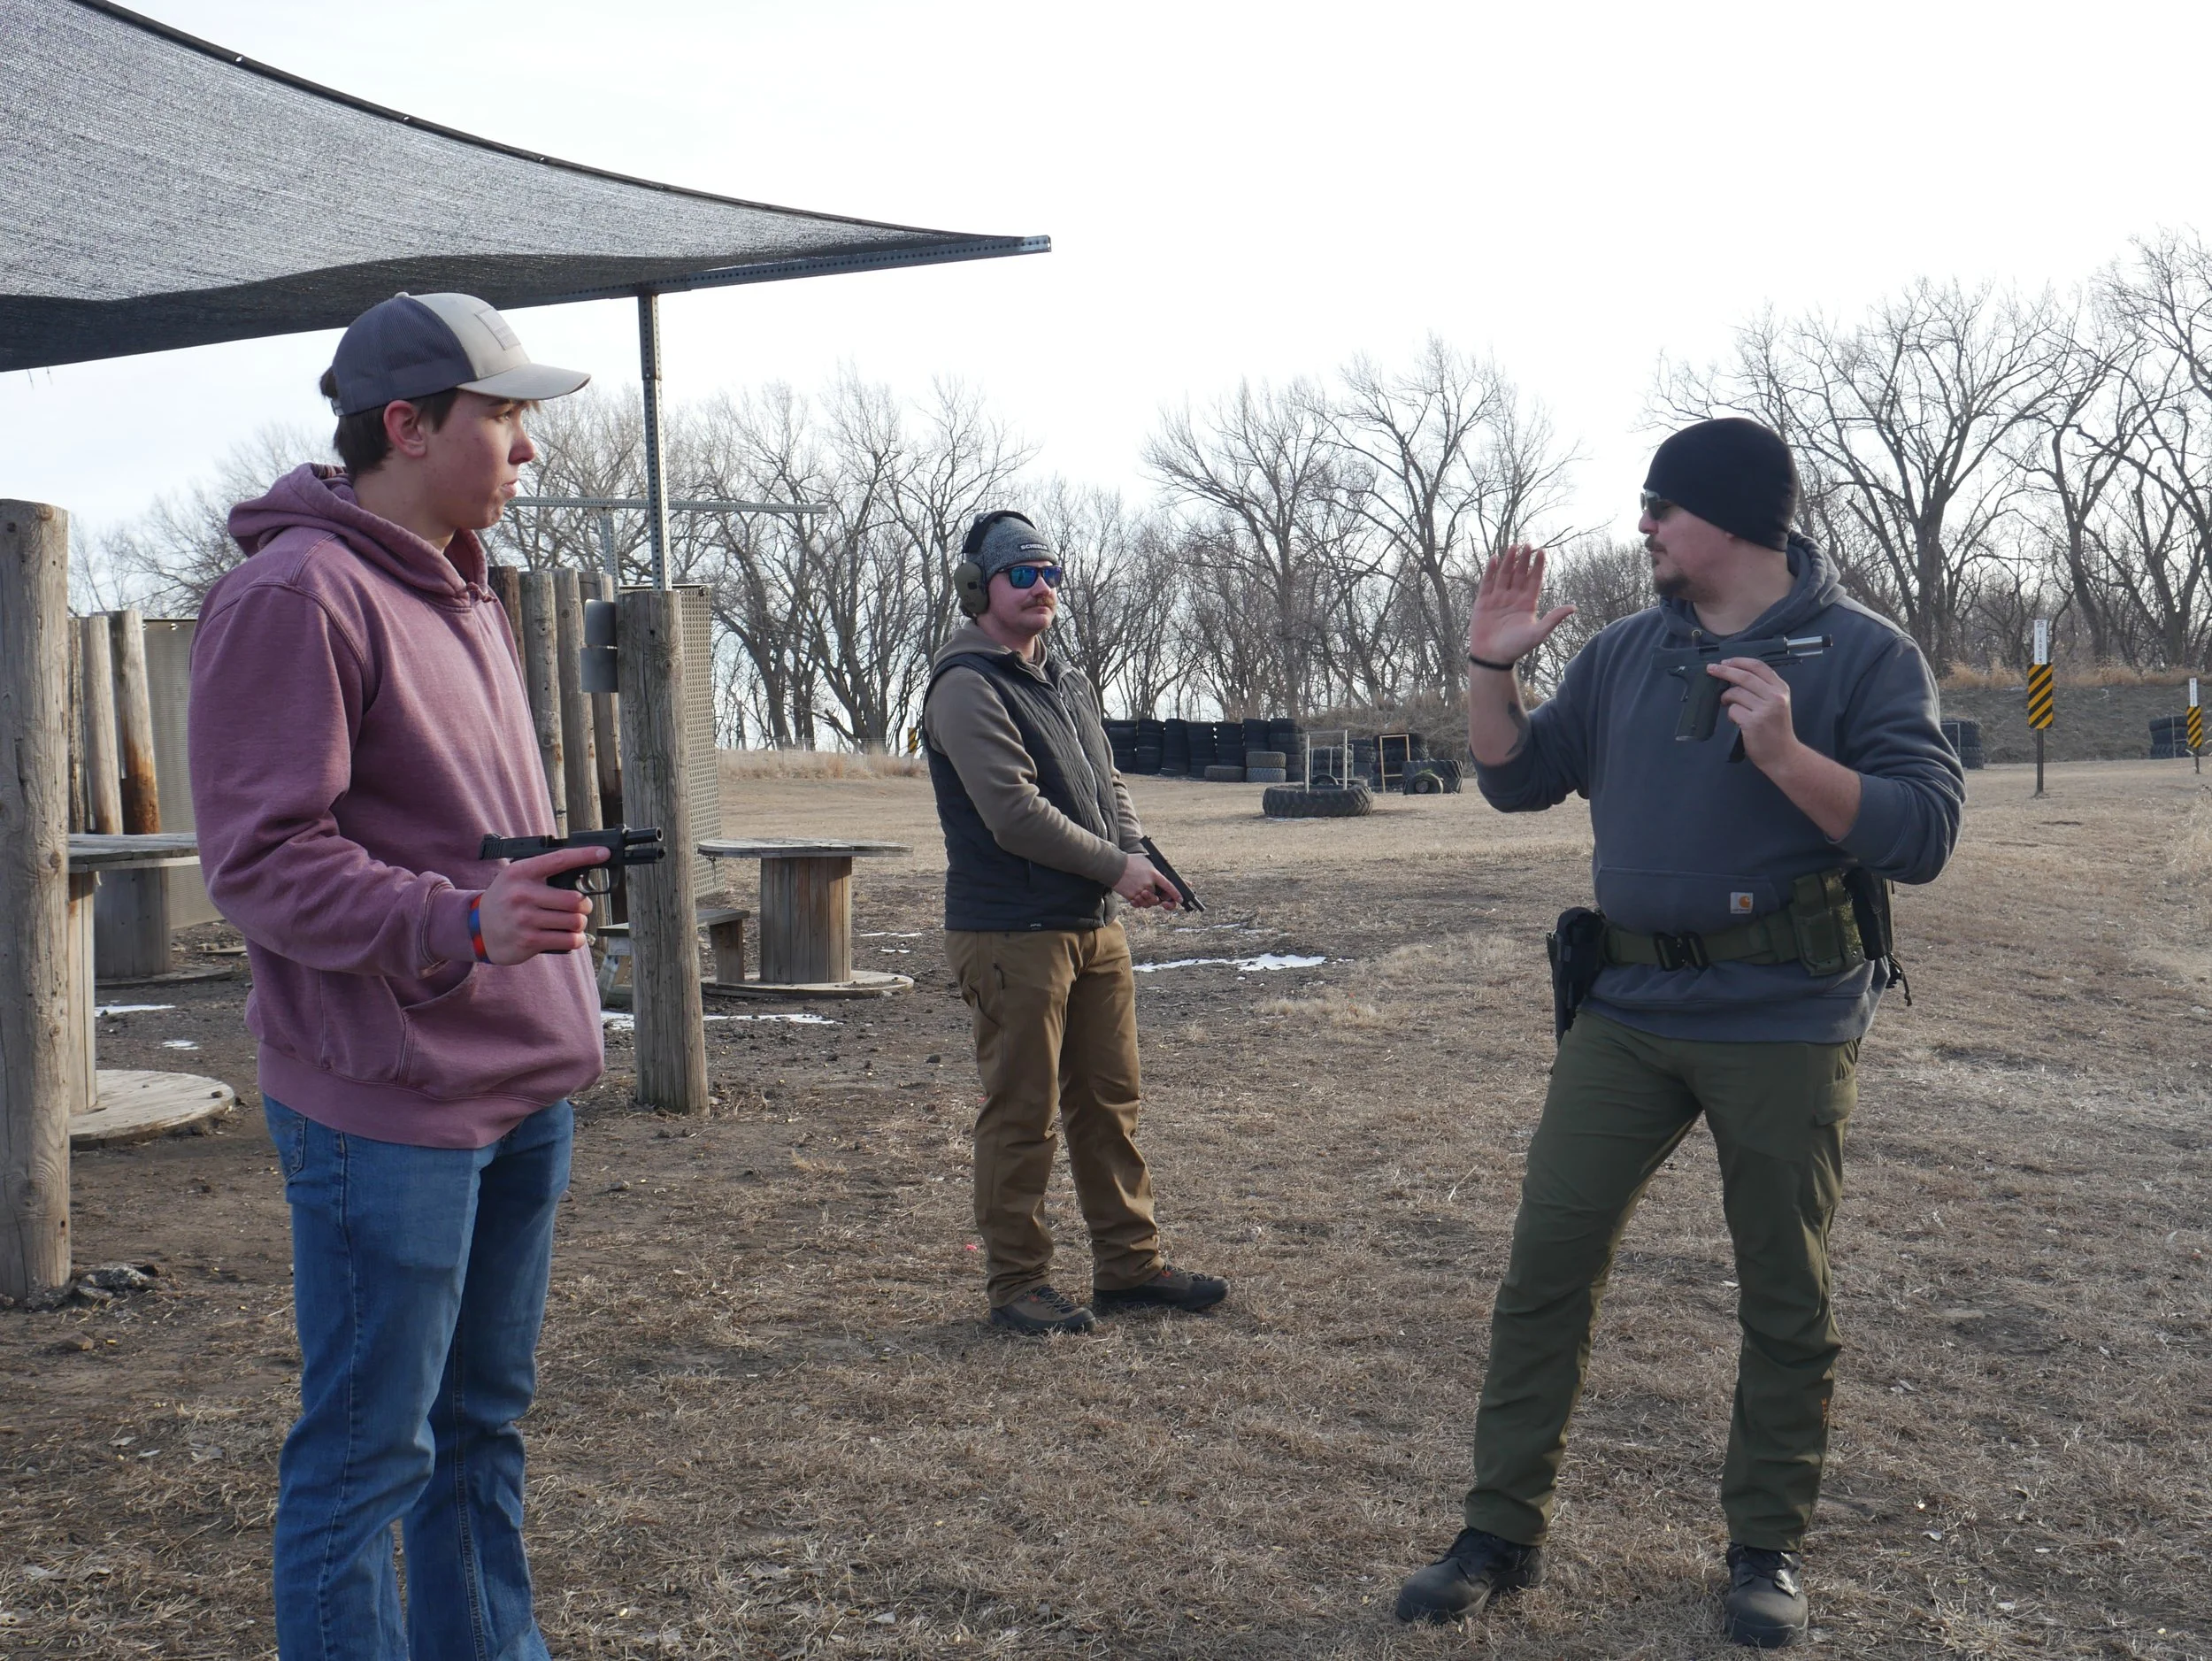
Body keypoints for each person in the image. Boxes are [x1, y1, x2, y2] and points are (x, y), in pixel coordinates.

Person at [1394, 419, 1963, 1647]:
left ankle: (1765, 1548)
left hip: (1785, 1017)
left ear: (1737, 519)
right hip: (1628, 1012)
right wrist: (1492, 670)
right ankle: (1500, 1530)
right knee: (1546, 1259)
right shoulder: (1622, 652)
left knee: (1782, 1290)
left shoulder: (1862, 654)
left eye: (1662, 506)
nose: (1644, 525)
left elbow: (1921, 833)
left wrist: (1787, 753)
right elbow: (1513, 777)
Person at [189, 292, 603, 1658]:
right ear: (410, 425)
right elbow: (261, 863)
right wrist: (463, 927)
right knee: (369, 1462)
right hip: (387, 1103)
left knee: (480, 1431)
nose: (527, 450)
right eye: (505, 417)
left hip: (516, 1083)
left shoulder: (461, 579)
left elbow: (438, 827)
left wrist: (519, 901)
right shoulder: (294, 593)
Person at [921, 510, 1229, 1335]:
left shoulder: (1066, 680)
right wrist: (1116, 867)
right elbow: (1014, 814)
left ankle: (1130, 1267)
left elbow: (1108, 782)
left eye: (1051, 572)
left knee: (1108, 1101)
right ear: (978, 588)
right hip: (1012, 932)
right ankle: (1017, 1285)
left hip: (1090, 924)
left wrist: (1138, 853)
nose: (1042, 587)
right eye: (1021, 574)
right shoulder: (966, 684)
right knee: (1022, 1112)